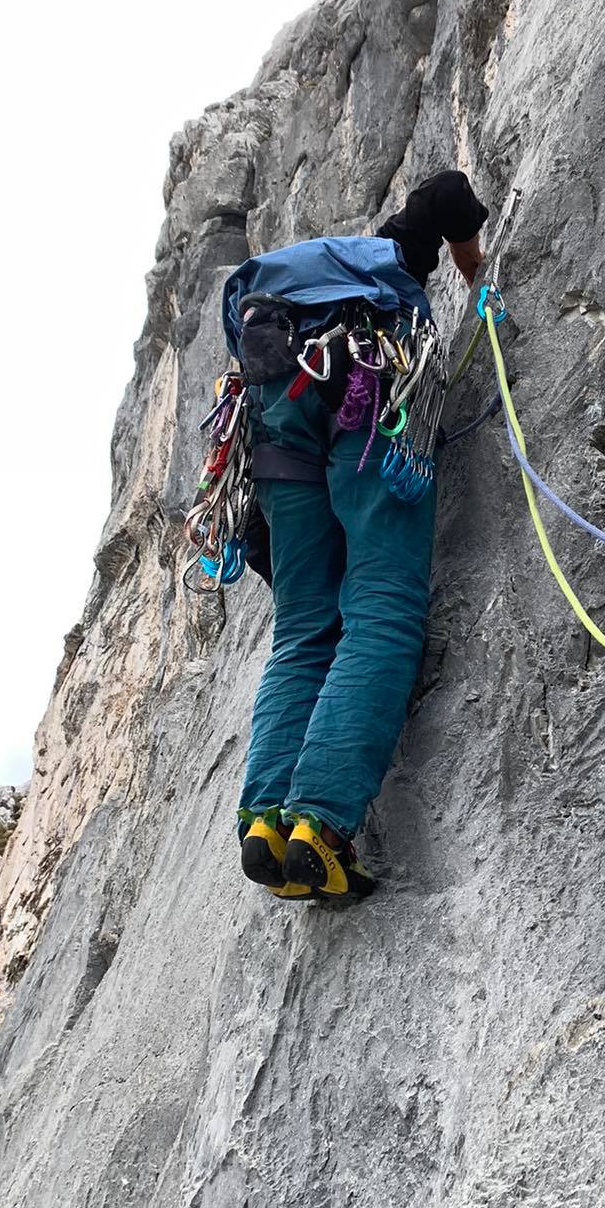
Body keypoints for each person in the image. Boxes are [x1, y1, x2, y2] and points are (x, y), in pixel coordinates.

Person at [222, 170, 487, 900]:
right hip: (362, 389)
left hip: (274, 413)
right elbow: (446, 192)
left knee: (303, 630)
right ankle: (321, 827)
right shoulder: (388, 255)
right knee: (381, 608)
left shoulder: (275, 294)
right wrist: (472, 267)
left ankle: (266, 822)